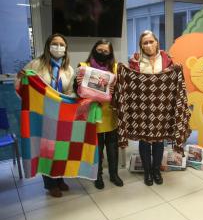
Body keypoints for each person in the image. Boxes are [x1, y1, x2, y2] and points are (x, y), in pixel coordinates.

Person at [16, 33, 74, 198]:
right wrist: (21, 78)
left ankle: (60, 179)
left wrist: (70, 99)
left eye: (62, 44)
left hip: (61, 114)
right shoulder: (36, 64)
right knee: (47, 150)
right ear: (48, 46)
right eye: (55, 43)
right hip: (42, 114)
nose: (58, 47)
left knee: (61, 149)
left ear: (66, 48)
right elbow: (23, 83)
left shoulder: (67, 68)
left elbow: (70, 90)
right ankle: (50, 184)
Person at [75, 39, 123, 189]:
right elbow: (76, 92)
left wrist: (117, 90)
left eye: (106, 51)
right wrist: (77, 82)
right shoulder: (84, 67)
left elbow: (123, 90)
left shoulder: (115, 67)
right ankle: (98, 176)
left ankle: (114, 175)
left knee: (112, 147)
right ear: (94, 50)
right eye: (99, 50)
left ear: (110, 53)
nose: (102, 53)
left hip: (110, 114)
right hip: (92, 114)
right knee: (97, 148)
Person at [129, 30, 173, 186]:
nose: (148, 45)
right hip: (143, 108)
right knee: (145, 141)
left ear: (157, 42)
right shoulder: (135, 61)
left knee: (159, 140)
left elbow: (173, 81)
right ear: (141, 46)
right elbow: (130, 84)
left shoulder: (167, 59)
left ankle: (156, 170)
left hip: (162, 107)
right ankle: (147, 172)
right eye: (144, 43)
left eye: (150, 41)